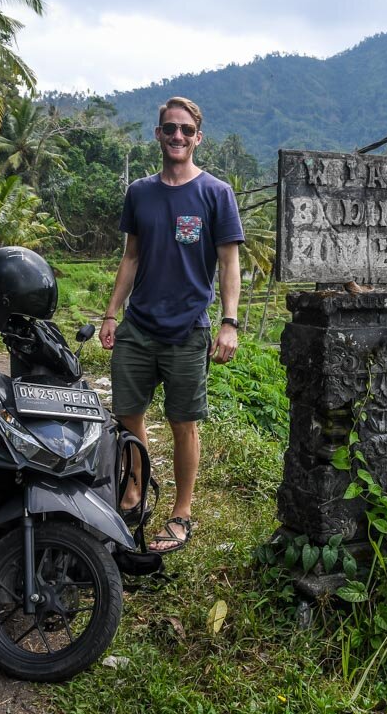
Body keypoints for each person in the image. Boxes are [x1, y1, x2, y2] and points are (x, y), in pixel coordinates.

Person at [99, 96, 244, 554]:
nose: (177, 136)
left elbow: (229, 263)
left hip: (188, 331)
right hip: (138, 327)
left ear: (198, 138)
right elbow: (131, 256)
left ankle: (182, 513)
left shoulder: (216, 194)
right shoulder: (140, 192)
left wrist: (229, 322)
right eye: (169, 129)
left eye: (185, 130)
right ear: (158, 135)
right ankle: (136, 489)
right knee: (128, 417)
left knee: (184, 423)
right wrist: (110, 313)